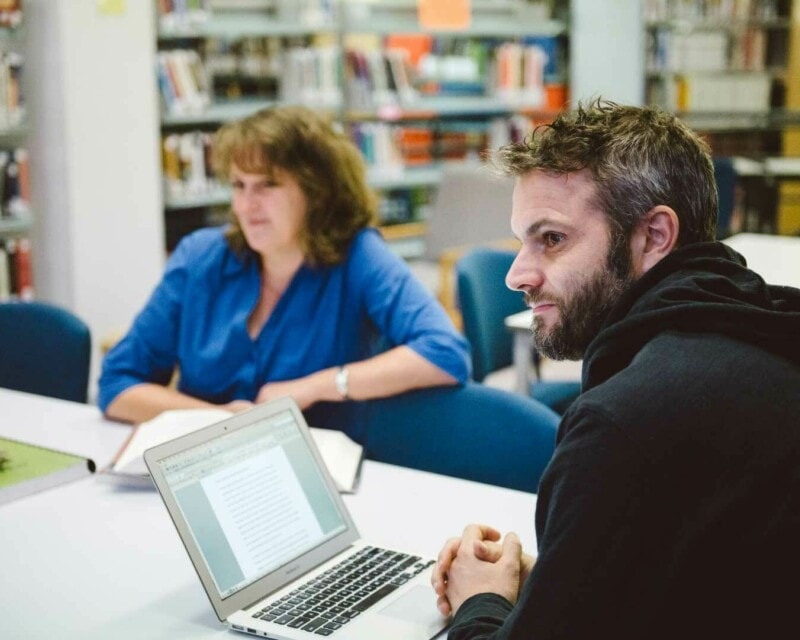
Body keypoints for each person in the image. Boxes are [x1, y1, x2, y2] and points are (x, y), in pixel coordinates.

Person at [431, 99, 800, 639]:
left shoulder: (624, 425)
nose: (517, 274)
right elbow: (706, 577)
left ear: (653, 236)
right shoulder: (763, 333)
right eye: (521, 241)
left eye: (551, 239)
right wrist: (558, 575)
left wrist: (480, 600)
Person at [98, 106, 470, 432]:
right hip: (206, 464)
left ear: (317, 191)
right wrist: (221, 421)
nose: (247, 205)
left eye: (267, 186)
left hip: (326, 477)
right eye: (239, 185)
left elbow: (445, 352)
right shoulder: (200, 257)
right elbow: (117, 385)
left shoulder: (358, 256)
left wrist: (315, 386)